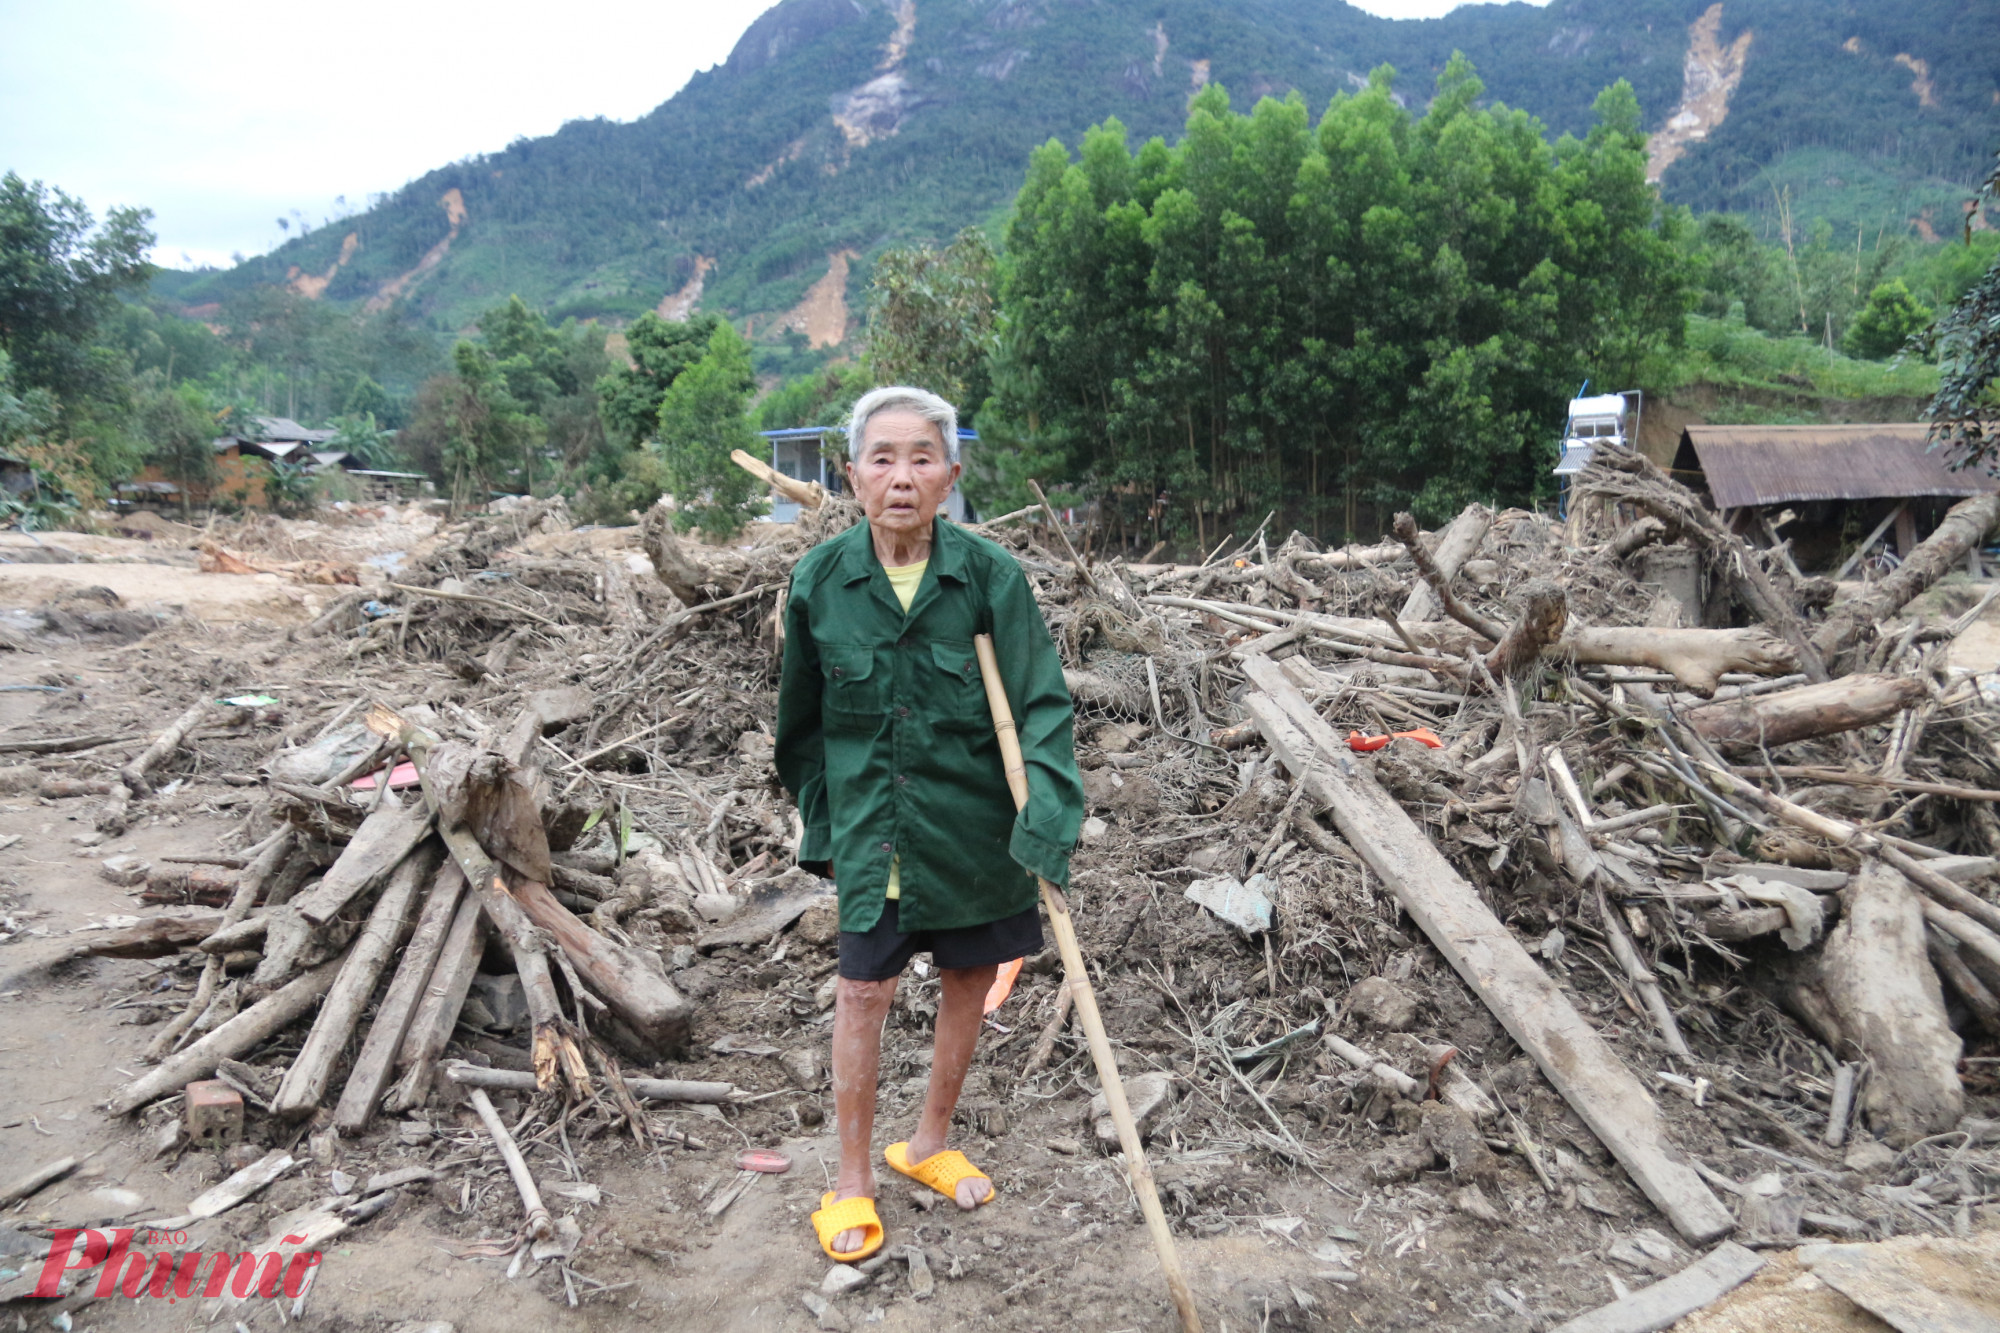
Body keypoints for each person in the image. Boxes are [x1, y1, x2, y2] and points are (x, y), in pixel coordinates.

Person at [774, 386, 1084, 1262]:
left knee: (968, 979)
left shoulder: (989, 578)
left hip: (973, 827)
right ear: (851, 475)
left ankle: (927, 1142)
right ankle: (852, 1178)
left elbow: (1043, 704)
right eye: (882, 458)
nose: (901, 476)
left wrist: (1049, 820)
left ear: (951, 476)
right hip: (875, 829)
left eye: (921, 458)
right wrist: (826, 821)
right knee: (862, 991)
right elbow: (797, 727)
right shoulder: (822, 583)